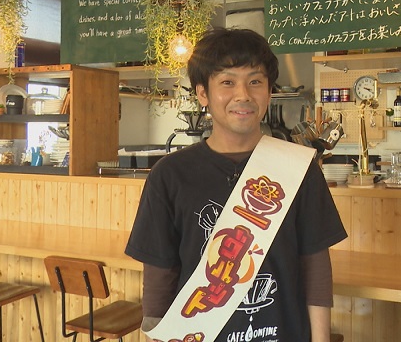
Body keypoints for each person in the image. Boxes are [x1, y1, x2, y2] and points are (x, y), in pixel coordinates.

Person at [125, 27, 347, 342]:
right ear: (203, 93)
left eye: (255, 81)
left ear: (269, 92)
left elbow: (315, 267)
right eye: (227, 82)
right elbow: (160, 276)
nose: (243, 95)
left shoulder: (300, 168)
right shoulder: (170, 175)